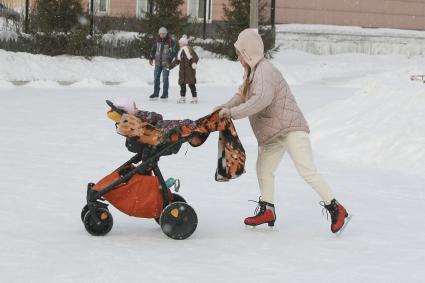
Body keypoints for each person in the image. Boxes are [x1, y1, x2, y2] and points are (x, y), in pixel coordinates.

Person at [213, 29, 350, 234]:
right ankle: (267, 209)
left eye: (239, 53)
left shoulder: (264, 71)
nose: (238, 57)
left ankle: (337, 209)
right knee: (263, 169)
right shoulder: (252, 72)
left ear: (248, 53)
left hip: (291, 129)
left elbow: (260, 100)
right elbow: (241, 96)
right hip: (274, 133)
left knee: (307, 171)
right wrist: (223, 108)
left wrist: (231, 113)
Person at [148, 27, 177, 101]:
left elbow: (173, 52)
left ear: (166, 33)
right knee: (156, 78)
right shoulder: (157, 41)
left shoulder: (170, 41)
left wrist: (170, 60)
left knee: (165, 79)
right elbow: (153, 50)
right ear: (159, 34)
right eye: (161, 33)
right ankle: (156, 93)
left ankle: (165, 94)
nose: (162, 35)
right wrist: (151, 58)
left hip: (166, 64)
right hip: (158, 63)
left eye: (163, 33)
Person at [170, 35, 199, 104]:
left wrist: (194, 63)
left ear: (184, 43)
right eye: (179, 43)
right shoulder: (180, 51)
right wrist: (170, 66)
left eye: (180, 43)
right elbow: (177, 61)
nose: (179, 45)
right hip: (182, 72)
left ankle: (194, 97)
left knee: (191, 84)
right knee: (182, 84)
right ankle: (182, 98)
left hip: (189, 71)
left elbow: (195, 57)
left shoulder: (189, 49)